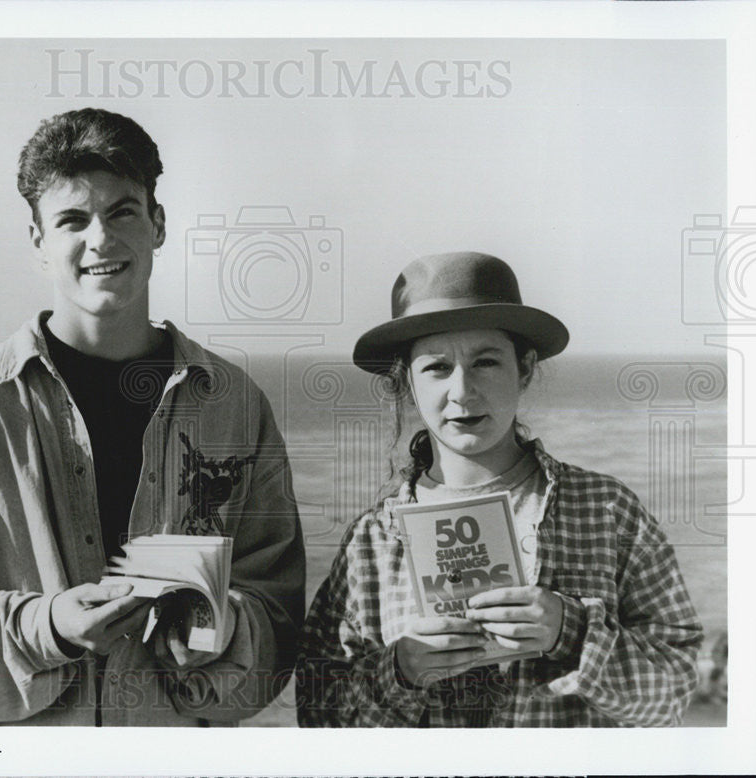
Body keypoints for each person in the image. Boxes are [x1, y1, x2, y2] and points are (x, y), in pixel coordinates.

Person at [0, 108, 305, 726]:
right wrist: (49, 627)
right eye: (72, 219)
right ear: (39, 242)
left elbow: (279, 614)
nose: (101, 238)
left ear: (158, 223)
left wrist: (220, 627)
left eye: (122, 210)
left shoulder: (233, 404)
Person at [296, 251, 703, 727]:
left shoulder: (607, 510)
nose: (463, 391)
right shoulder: (371, 541)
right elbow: (318, 716)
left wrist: (570, 634)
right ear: (406, 381)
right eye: (436, 367)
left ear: (525, 368)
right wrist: (399, 672)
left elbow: (674, 690)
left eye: (486, 362)